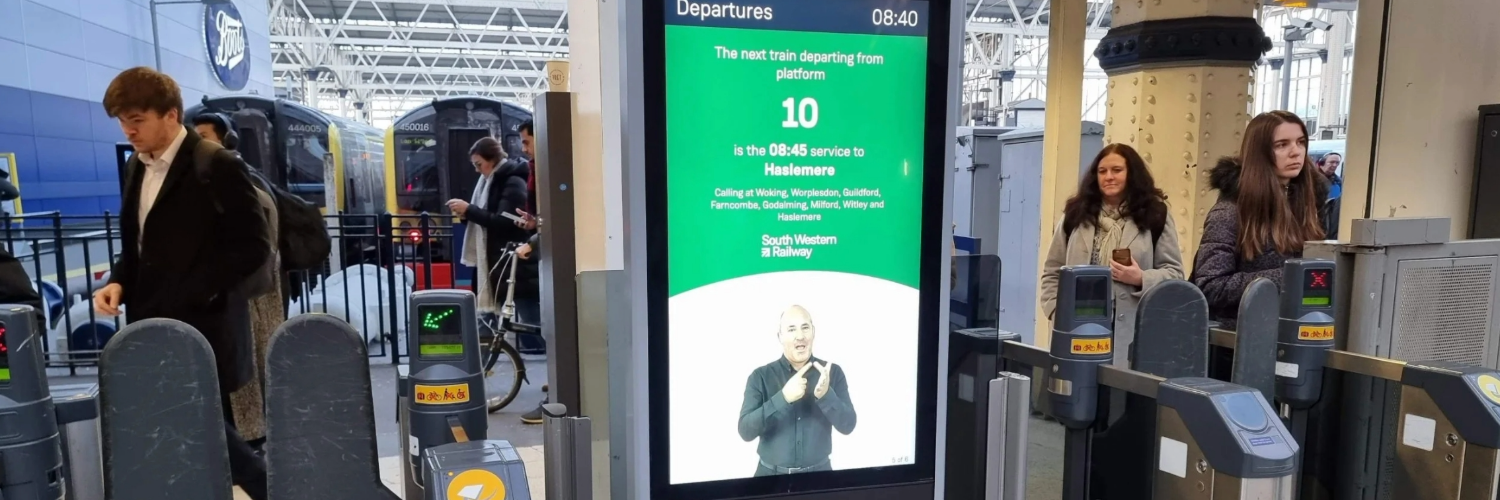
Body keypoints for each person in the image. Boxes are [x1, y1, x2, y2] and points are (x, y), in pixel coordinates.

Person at [92, 67, 271, 499]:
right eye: (121, 120)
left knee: (207, 428)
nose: (128, 130)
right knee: (187, 430)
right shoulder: (138, 166)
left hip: (202, 327)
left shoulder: (216, 164)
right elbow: (139, 243)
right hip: (150, 326)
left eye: (137, 119)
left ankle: (272, 487)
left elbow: (254, 246)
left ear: (170, 115)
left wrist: (197, 291)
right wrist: (118, 280)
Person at [1039, 143, 1184, 368]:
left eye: (1117, 170)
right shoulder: (1076, 214)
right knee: (1079, 394)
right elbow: (1052, 271)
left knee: (1121, 398)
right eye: (1102, 171)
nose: (1109, 177)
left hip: (1133, 331)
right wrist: (1057, 312)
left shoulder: (1155, 215)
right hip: (1078, 329)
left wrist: (1140, 278)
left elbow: (1175, 275)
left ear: (1132, 174)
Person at [194, 112, 285, 453]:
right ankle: (252, 443)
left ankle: (249, 444)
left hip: (250, 289)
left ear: (225, 139)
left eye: (203, 135)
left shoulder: (231, 176)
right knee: (251, 364)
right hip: (257, 286)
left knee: (245, 369)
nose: (196, 142)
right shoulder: (248, 175)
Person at [1191, 110, 1328, 327]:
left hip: (1297, 332)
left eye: (1301, 142)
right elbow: (1211, 286)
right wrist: (1290, 277)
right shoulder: (1229, 212)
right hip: (1240, 341)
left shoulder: (1311, 204)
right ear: (1260, 153)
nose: (1296, 152)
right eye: (1281, 145)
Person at [737, 305, 857, 476]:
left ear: (813, 332)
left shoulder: (832, 373)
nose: (800, 336)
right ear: (780, 336)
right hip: (769, 479)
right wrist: (783, 398)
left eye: (805, 327)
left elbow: (848, 426)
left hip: (820, 480)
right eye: (791, 329)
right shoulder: (760, 376)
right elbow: (745, 431)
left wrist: (826, 396)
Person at [447, 137, 530, 317]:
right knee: (502, 317)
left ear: (492, 160)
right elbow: (488, 217)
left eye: (479, 164)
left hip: (507, 261)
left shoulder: (512, 181)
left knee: (524, 318)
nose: (477, 170)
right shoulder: (489, 181)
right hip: (494, 259)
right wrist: (466, 215)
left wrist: (469, 210)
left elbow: (503, 222)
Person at [1316, 152, 1343, 241]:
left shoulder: (1338, 181)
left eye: (1337, 163)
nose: (1334, 165)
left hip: (1333, 217)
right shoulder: (1313, 178)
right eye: (1331, 162)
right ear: (1322, 163)